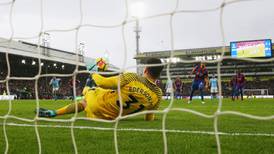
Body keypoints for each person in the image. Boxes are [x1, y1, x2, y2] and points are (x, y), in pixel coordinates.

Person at [37, 58, 164, 121]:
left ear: (146, 69)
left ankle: (54, 113)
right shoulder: (158, 94)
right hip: (109, 118)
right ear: (158, 74)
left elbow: (103, 82)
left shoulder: (132, 77)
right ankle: (87, 90)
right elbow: (149, 117)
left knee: (89, 91)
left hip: (98, 104)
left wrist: (93, 72)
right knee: (90, 95)